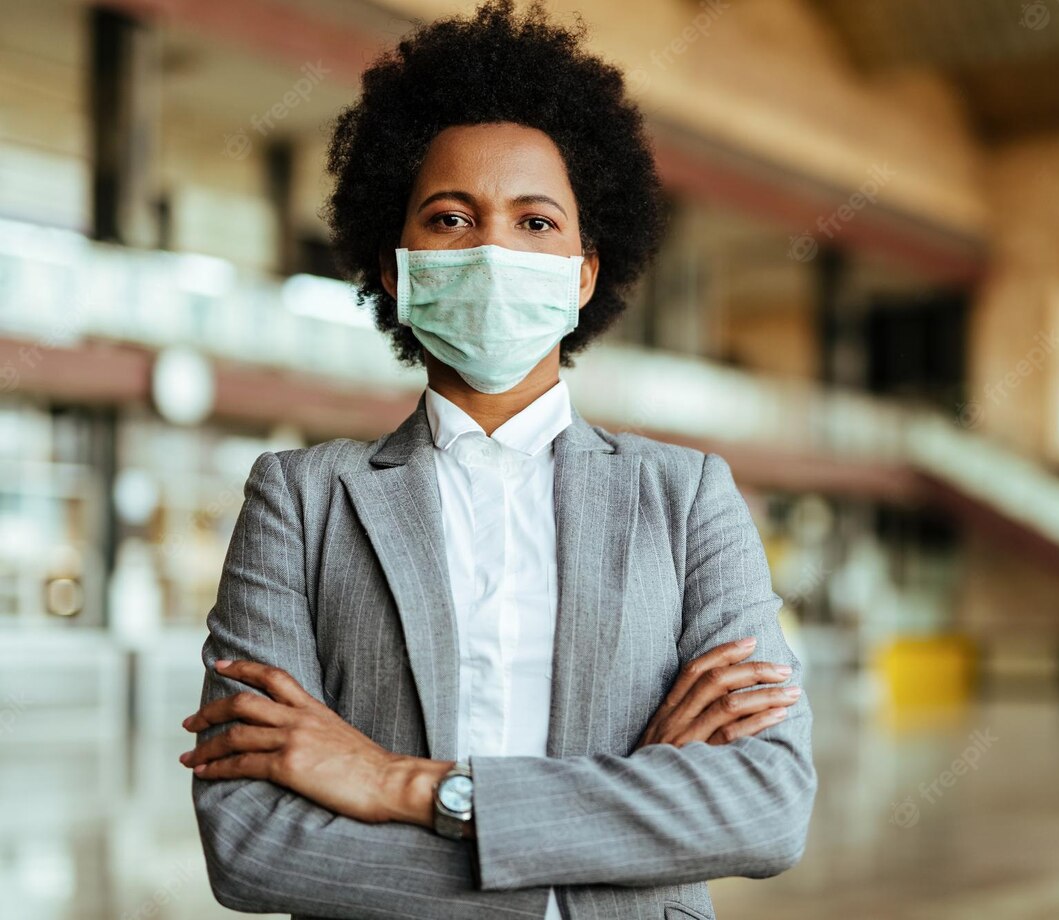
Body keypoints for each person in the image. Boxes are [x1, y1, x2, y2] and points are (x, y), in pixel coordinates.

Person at [177, 3, 816, 918]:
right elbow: (249, 843)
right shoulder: (302, 500)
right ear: (397, 268)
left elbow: (767, 807)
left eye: (536, 222)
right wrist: (612, 822)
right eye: (449, 218)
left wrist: (405, 785)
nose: (492, 250)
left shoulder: (685, 499)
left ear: (584, 273)